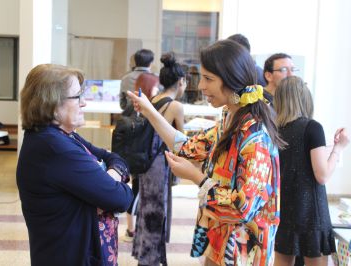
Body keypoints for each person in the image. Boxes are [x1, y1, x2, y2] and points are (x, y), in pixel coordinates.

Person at [128, 40, 284, 265]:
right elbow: (187, 147)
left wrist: (196, 177)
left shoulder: (255, 136)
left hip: (244, 251)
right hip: (220, 239)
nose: (201, 85)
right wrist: (150, 111)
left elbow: (244, 208)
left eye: (208, 79)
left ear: (233, 79)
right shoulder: (229, 119)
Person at [17, 64, 133, 266]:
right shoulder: (56, 148)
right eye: (77, 96)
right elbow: (121, 198)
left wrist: (107, 179)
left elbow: (114, 158)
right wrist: (110, 182)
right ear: (52, 104)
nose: (84, 103)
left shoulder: (65, 137)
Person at [273, 76, 349, 266]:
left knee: (282, 261)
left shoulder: (274, 129)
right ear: (304, 97)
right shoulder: (312, 128)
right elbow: (322, 175)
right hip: (311, 212)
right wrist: (338, 148)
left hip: (283, 208)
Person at [132, 52, 185, 266]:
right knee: (157, 211)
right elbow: (182, 141)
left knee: (147, 208)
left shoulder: (153, 99)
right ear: (181, 82)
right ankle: (151, 259)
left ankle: (144, 254)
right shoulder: (175, 106)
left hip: (146, 162)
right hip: (159, 165)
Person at [122, 72, 160, 242]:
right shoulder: (145, 108)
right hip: (142, 158)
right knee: (137, 193)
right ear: (150, 87)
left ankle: (132, 228)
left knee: (137, 191)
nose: (158, 89)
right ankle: (130, 230)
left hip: (133, 155)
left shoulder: (132, 106)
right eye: (156, 86)